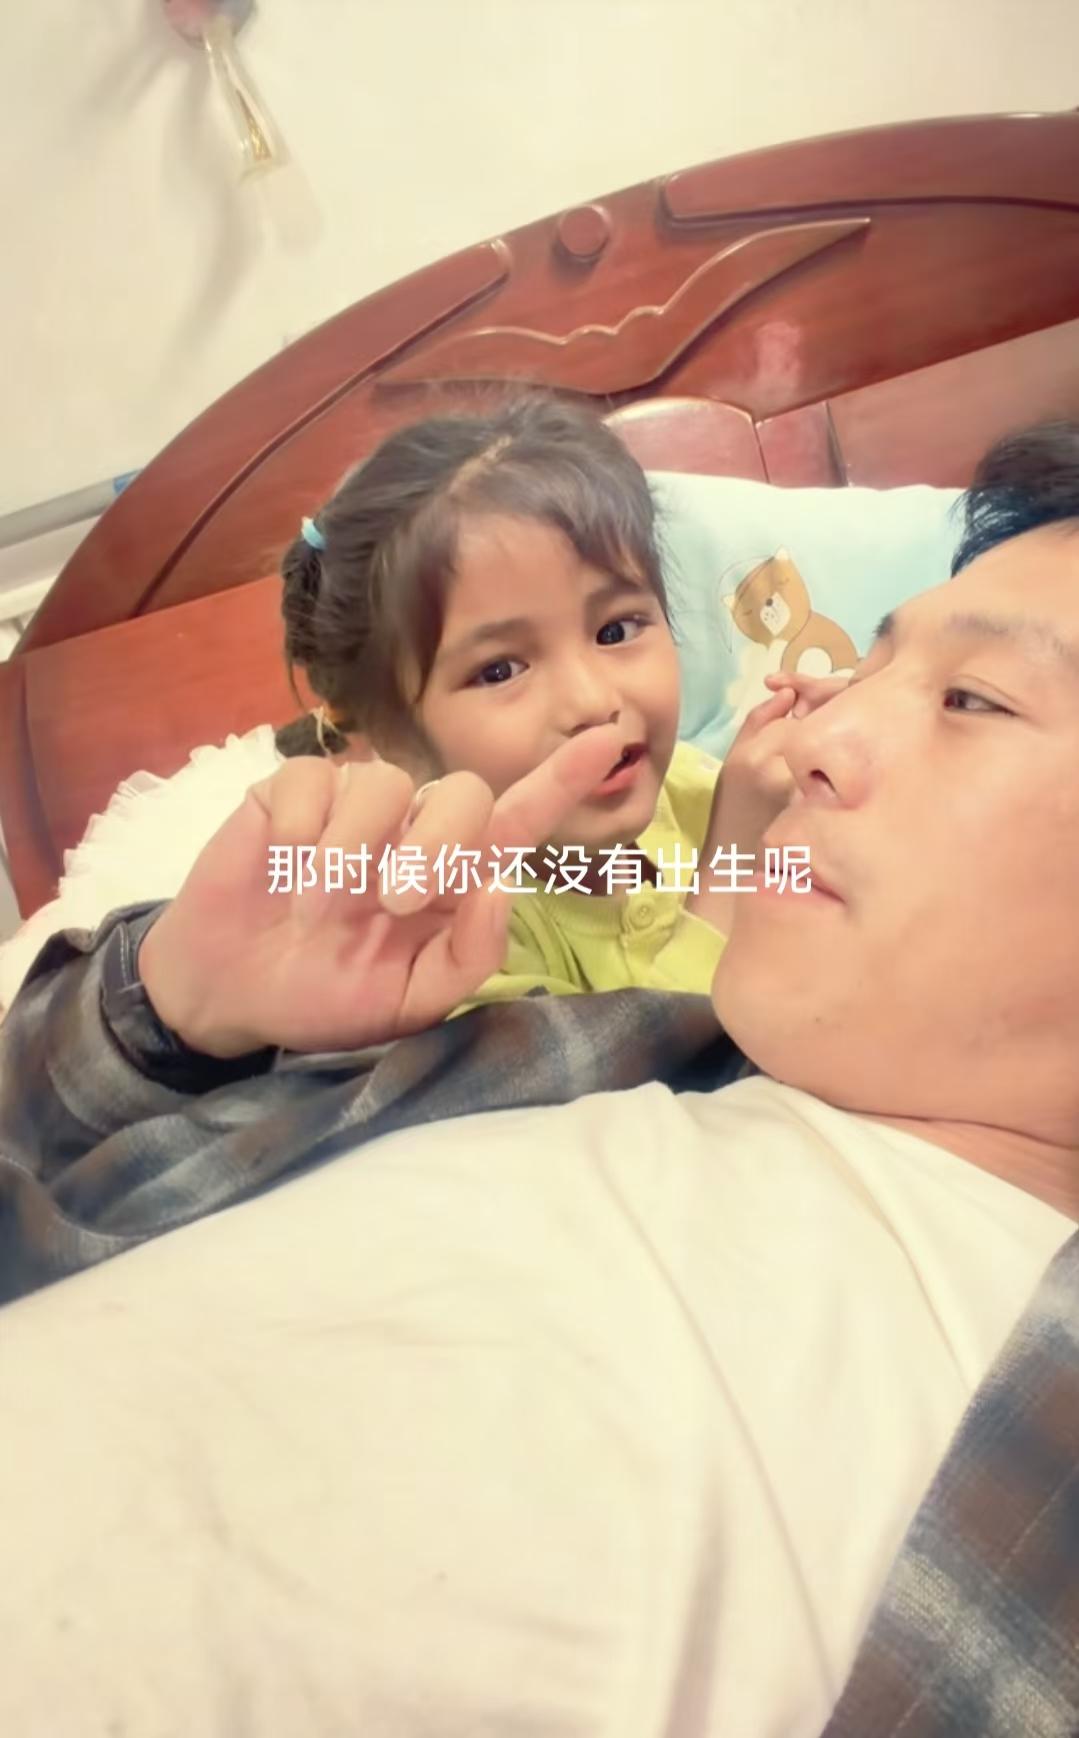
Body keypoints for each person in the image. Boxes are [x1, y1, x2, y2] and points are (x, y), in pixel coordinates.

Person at [1, 423, 1078, 1738]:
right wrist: (161, 1014)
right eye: (501, 666)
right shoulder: (454, 925)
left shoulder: (711, 816)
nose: (820, 727)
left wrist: (733, 865)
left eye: (973, 699)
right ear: (380, 737)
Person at [262, 393, 803, 1017]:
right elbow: (631, 1075)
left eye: (616, 630)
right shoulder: (445, 925)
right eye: (500, 670)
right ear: (396, 738)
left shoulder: (693, 788)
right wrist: (732, 873)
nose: (593, 701)